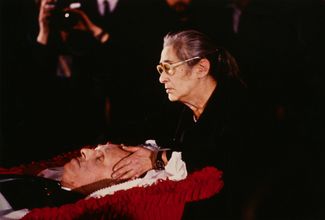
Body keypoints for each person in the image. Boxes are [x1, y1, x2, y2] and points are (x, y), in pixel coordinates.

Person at [110, 30, 255, 219]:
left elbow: (215, 164)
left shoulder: (241, 108)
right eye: (160, 69)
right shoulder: (183, 113)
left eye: (169, 68)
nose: (162, 79)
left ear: (201, 68)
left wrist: (157, 159)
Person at [0, 142, 188, 219]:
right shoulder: (46, 174)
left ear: (115, 185)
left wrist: (159, 158)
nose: (85, 150)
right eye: (96, 150)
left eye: (99, 158)